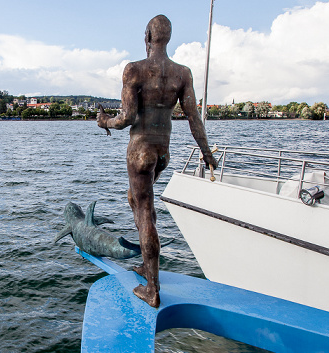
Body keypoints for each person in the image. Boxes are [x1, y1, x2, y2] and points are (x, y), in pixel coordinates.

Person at [97, 14, 217, 308]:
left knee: (145, 214)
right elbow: (194, 119)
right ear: (167, 37)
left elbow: (127, 118)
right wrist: (206, 152)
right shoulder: (182, 73)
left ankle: (152, 288)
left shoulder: (134, 70)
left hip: (140, 151)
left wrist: (104, 122)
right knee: (135, 201)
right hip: (162, 152)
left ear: (147, 37)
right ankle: (147, 265)